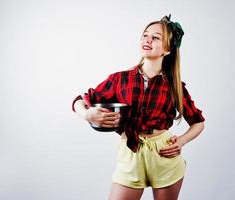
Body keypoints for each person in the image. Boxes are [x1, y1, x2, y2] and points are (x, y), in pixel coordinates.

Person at [72, 15, 205, 200]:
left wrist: (181, 141)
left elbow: (198, 123)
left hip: (164, 154)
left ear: (167, 49)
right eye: (145, 35)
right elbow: (80, 100)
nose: (147, 40)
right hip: (130, 153)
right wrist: (87, 114)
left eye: (156, 37)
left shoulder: (175, 86)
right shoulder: (119, 79)